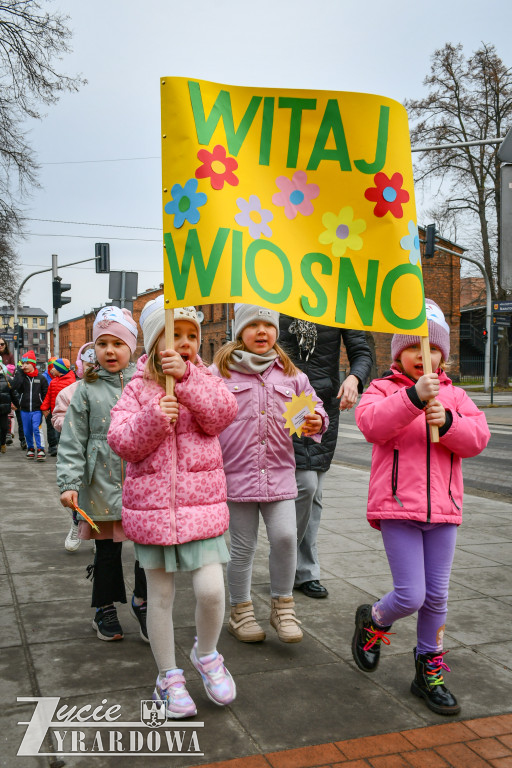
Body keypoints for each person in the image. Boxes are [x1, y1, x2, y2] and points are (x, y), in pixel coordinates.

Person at [352, 299, 490, 715]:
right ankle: (374, 619)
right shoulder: (384, 389)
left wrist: (447, 421)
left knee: (436, 597)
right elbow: (371, 425)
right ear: (399, 353)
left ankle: (428, 669)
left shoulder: (456, 395)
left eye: (432, 348)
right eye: (413, 347)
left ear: (443, 355)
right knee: (411, 594)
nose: (422, 355)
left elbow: (477, 439)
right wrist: (412, 397)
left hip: (444, 512)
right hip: (398, 509)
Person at [107, 298, 238, 719]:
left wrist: (188, 381)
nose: (184, 343)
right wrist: (152, 416)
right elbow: (122, 441)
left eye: (191, 335)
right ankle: (168, 675)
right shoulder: (136, 389)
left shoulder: (206, 377)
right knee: (159, 599)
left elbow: (222, 415)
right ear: (153, 342)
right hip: (153, 514)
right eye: (173, 335)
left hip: (202, 509)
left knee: (211, 591)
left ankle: (208, 654)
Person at [211, 304, 328, 644]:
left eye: (268, 324)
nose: (261, 331)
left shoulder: (292, 375)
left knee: (286, 538)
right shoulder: (219, 372)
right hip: (236, 476)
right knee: (242, 547)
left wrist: (317, 421)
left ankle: (283, 607)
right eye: (253, 324)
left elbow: (314, 409)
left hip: (278, 474)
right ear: (240, 331)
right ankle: (240, 611)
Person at [57, 306, 148, 642]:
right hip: (100, 482)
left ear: (132, 347)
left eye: (118, 343)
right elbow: (72, 440)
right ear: (93, 348)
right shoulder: (86, 389)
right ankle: (104, 608)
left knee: (148, 550)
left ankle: (143, 602)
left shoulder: (146, 384)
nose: (110, 350)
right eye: (102, 343)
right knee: (107, 550)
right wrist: (69, 483)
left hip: (142, 482)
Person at [279, 316, 373, 598]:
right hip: (281, 401)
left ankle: (304, 571)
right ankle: (286, 561)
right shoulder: (277, 297)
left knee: (314, 490)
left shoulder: (337, 303)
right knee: (305, 485)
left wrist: (354, 378)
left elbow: (362, 351)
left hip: (320, 406)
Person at [52, 344, 95, 553]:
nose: (92, 368)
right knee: (76, 492)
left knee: (100, 495)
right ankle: (76, 522)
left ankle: (99, 535)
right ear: (79, 365)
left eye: (96, 364)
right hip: (78, 452)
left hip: (104, 454)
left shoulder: (116, 390)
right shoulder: (69, 392)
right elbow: (57, 417)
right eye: (88, 364)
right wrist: (73, 424)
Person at [13, 350, 48, 461]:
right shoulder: (22, 377)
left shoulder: (41, 378)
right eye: (23, 363)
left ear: (33, 364)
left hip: (37, 409)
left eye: (27, 363)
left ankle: (41, 449)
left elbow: (45, 393)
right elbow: (15, 387)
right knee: (27, 430)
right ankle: (30, 448)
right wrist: (19, 372)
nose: (25, 366)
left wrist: (45, 407)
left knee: (37, 428)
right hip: (24, 409)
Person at [41, 358, 75, 449]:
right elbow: (48, 396)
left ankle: (64, 448)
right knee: (53, 430)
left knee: (63, 432)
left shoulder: (71, 382)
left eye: (54, 368)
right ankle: (53, 447)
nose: (51, 369)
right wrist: (44, 408)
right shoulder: (53, 382)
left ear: (59, 370)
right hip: (54, 412)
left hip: (66, 413)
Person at [0, 363, 19, 454]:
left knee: (4, 428)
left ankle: (2, 443)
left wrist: (18, 405)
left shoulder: (7, 379)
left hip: (4, 409)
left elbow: (13, 393)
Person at [42, 357, 59, 456]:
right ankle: (52, 446)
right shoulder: (44, 377)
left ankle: (59, 445)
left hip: (60, 406)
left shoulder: (61, 376)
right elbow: (44, 394)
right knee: (50, 426)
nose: (53, 370)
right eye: (51, 367)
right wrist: (44, 407)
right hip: (49, 406)